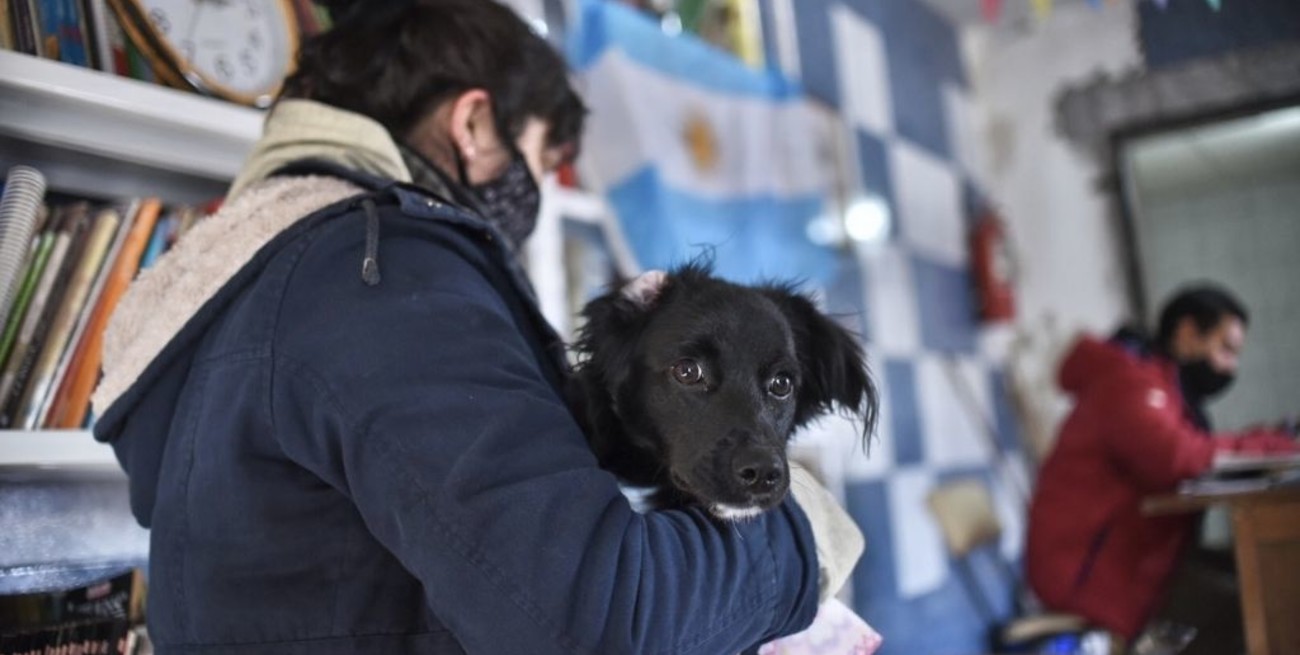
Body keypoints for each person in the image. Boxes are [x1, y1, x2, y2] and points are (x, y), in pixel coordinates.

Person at [89, 1, 863, 653]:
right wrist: (807, 539)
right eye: (538, 155)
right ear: (473, 123)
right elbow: (590, 611)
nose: (534, 192)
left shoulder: (250, 279)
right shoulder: (379, 271)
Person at [1026, 285, 1298, 649]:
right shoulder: (1131, 383)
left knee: (1262, 581)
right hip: (1085, 576)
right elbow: (1176, 457)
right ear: (1187, 333)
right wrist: (1279, 445)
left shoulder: (1164, 392)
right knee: (1262, 607)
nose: (1230, 367)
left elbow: (1191, 451)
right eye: (1226, 349)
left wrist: (1272, 439)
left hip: (1127, 562)